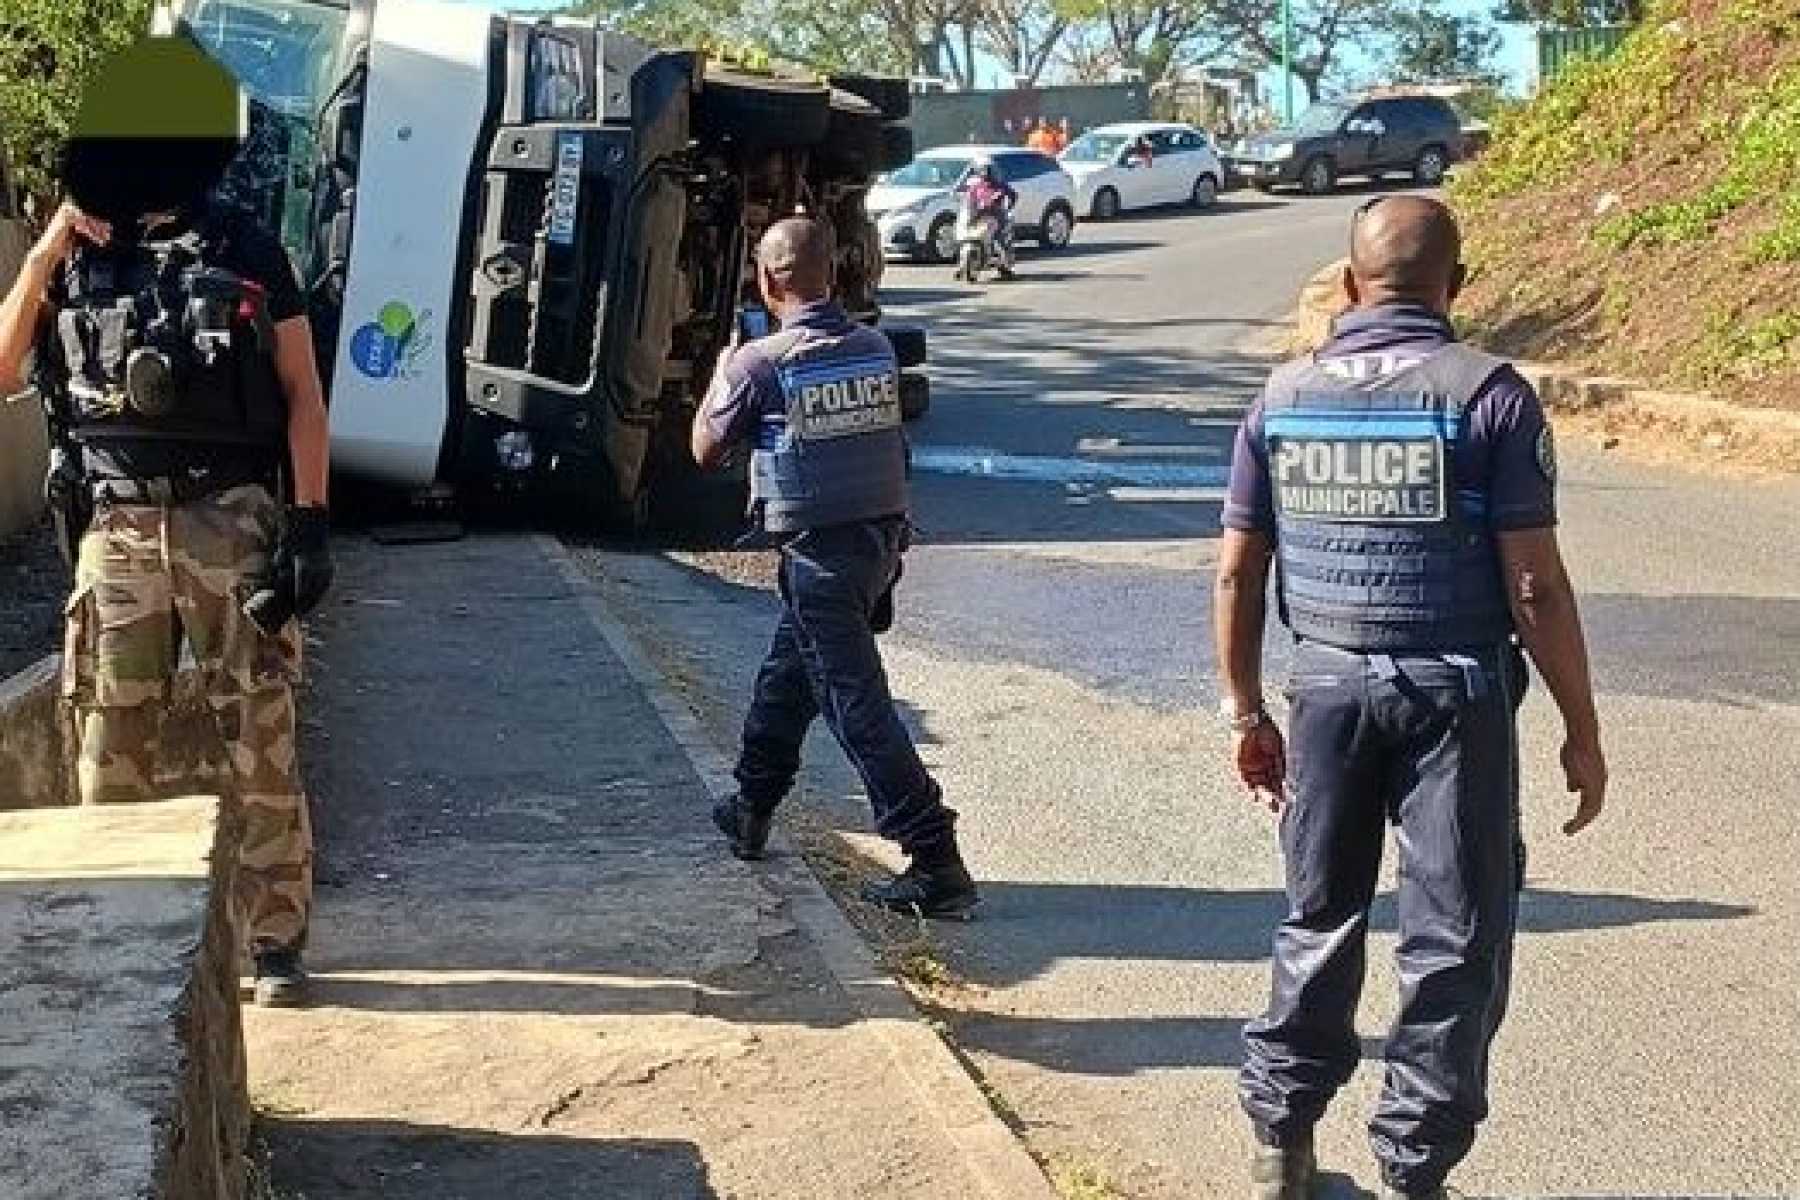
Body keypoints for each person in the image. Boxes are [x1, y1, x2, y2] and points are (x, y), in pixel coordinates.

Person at [1214, 196, 1608, 1200]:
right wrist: (1580, 728)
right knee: (1452, 935)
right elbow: (1536, 586)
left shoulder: (1283, 397)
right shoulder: (1490, 397)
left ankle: (1280, 1145)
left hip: (1328, 689)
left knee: (1317, 913)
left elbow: (1236, 573)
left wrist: (1245, 709)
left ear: (1349, 286)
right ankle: (1414, 1171)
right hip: (1455, 698)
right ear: (1457, 288)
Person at [0, 35, 333, 1007]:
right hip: (115, 527)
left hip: (229, 518)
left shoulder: (244, 246)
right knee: (109, 739)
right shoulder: (78, 247)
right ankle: (120, 931)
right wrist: (52, 243)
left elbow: (302, 393)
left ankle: (274, 944)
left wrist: (309, 528)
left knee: (258, 730)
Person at [693, 217, 978, 919]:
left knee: (857, 708)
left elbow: (705, 450)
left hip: (819, 557)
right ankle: (751, 807)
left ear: (768, 281)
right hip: (876, 551)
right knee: (788, 681)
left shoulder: (759, 363)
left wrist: (718, 373)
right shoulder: (874, 349)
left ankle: (935, 858)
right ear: (835, 273)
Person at [958, 159, 1018, 277]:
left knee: (999, 239)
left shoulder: (999, 185)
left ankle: (1004, 264)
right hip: (978, 216)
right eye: (983, 170)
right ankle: (962, 265)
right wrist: (966, 203)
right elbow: (969, 197)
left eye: (987, 170)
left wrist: (1007, 206)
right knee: (966, 235)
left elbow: (1013, 195)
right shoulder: (976, 185)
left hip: (995, 217)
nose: (985, 173)